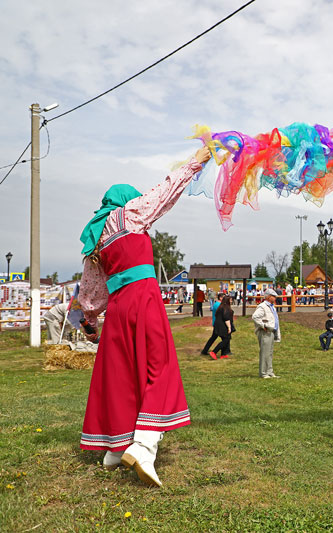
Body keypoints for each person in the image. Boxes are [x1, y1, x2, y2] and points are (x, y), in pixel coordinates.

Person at [78, 146, 211, 487]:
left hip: (118, 308)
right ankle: (144, 445)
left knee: (122, 376)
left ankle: (114, 448)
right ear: (126, 199)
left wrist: (91, 325)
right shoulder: (130, 213)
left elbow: (91, 296)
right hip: (143, 297)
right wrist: (196, 162)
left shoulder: (96, 236)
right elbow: (165, 191)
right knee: (159, 365)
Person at [253, 288, 280, 378]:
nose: (275, 298)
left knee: (270, 352)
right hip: (265, 332)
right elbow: (255, 317)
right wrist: (263, 325)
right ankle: (263, 373)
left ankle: (270, 371)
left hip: (271, 331)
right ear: (268, 297)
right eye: (273, 296)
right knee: (265, 352)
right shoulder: (262, 306)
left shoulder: (272, 307)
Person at [208, 295, 235, 359]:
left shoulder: (221, 306)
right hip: (222, 326)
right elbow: (226, 318)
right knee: (226, 339)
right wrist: (229, 327)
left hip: (218, 325)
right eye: (230, 300)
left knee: (224, 339)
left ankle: (223, 354)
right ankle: (214, 352)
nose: (231, 301)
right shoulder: (226, 308)